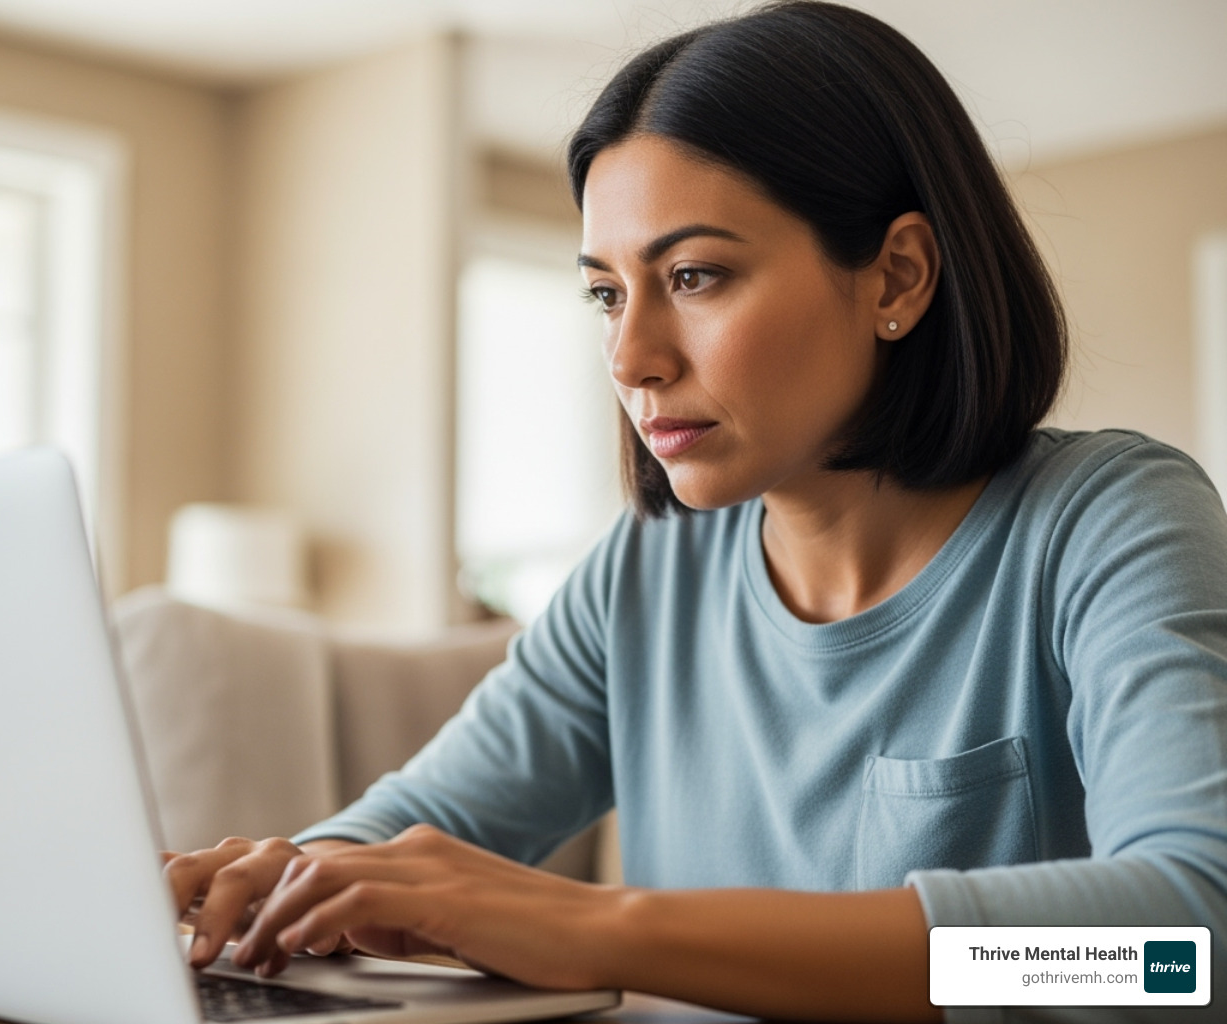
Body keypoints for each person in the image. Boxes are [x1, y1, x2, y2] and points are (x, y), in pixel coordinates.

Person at [163, 3, 1227, 1021]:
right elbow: (408, 837)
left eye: (696, 274)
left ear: (897, 274)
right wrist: (271, 884)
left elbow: (1180, 945)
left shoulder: (1109, 523)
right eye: (608, 293)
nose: (631, 359)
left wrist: (608, 929)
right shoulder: (646, 572)